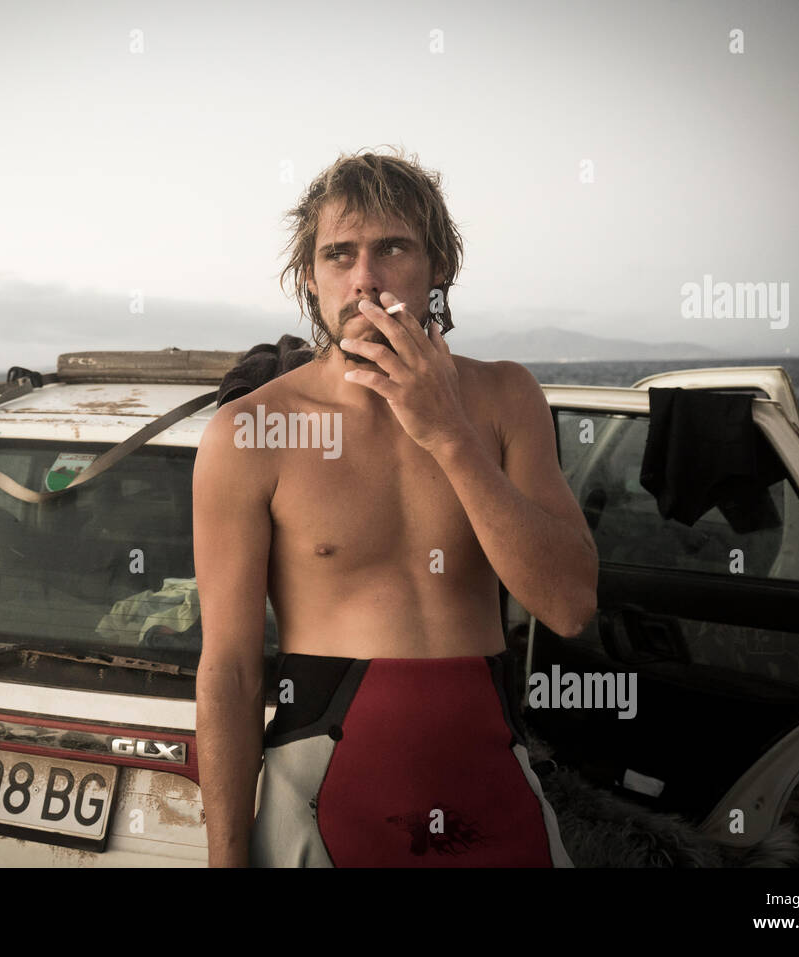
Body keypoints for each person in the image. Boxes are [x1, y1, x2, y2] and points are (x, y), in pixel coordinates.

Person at [193, 147, 598, 867]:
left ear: (437, 264)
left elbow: (568, 603)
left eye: (392, 249)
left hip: (494, 792)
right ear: (309, 278)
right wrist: (227, 860)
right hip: (320, 800)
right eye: (338, 255)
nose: (365, 279)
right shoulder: (250, 431)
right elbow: (228, 669)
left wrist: (447, 431)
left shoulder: (505, 397)